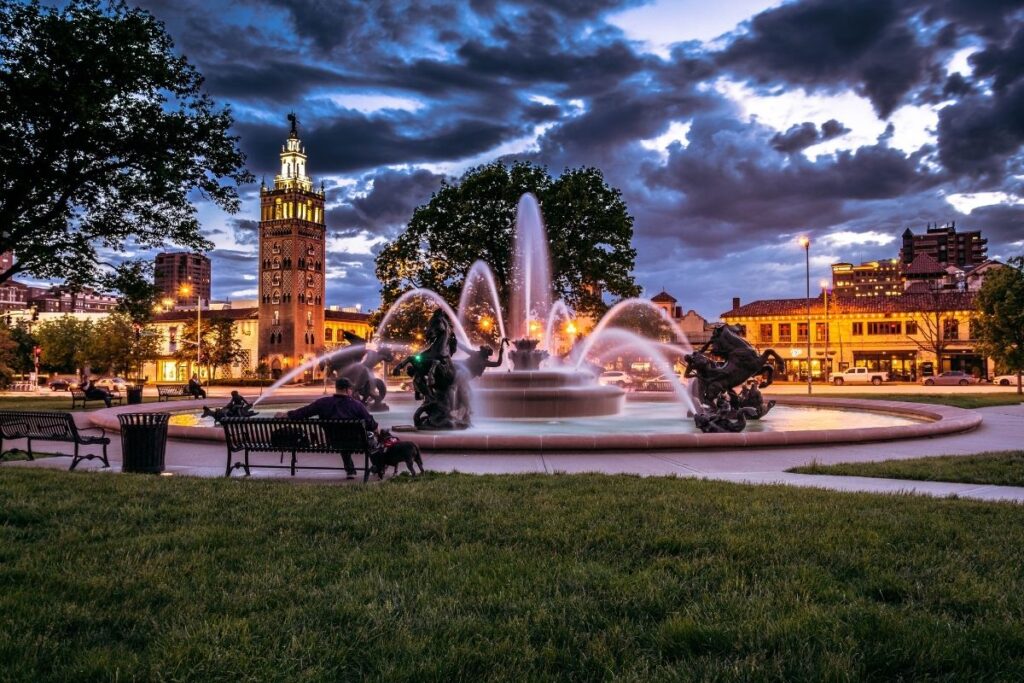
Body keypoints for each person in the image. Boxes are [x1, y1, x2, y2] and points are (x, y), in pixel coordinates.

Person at [276, 377, 379, 479]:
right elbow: (372, 424)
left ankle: (350, 470)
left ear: (337, 388)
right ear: (347, 390)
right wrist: (376, 431)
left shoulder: (323, 403)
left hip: (334, 442)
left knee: (342, 438)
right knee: (370, 439)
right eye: (351, 389)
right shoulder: (357, 405)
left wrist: (287, 414)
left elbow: (304, 412)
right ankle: (378, 468)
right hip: (357, 443)